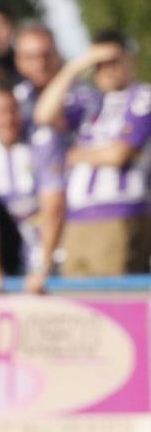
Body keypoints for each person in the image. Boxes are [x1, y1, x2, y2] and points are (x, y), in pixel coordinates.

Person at [34, 30, 151, 276]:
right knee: (77, 305)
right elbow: (43, 115)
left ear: (130, 60)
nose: (107, 70)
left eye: (113, 62)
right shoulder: (89, 101)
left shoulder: (142, 96)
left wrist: (80, 155)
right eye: (99, 64)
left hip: (118, 215)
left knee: (110, 304)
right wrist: (76, 66)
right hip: (77, 219)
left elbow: (120, 154)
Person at [0, 85, 66, 293]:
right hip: (26, 250)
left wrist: (44, 265)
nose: (7, 119)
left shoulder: (42, 138)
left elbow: (54, 205)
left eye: (12, 110)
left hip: (64, 246)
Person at [12, 22, 62, 125]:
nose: (40, 64)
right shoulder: (14, 100)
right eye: (30, 58)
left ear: (57, 56)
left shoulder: (83, 95)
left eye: (46, 55)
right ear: (18, 62)